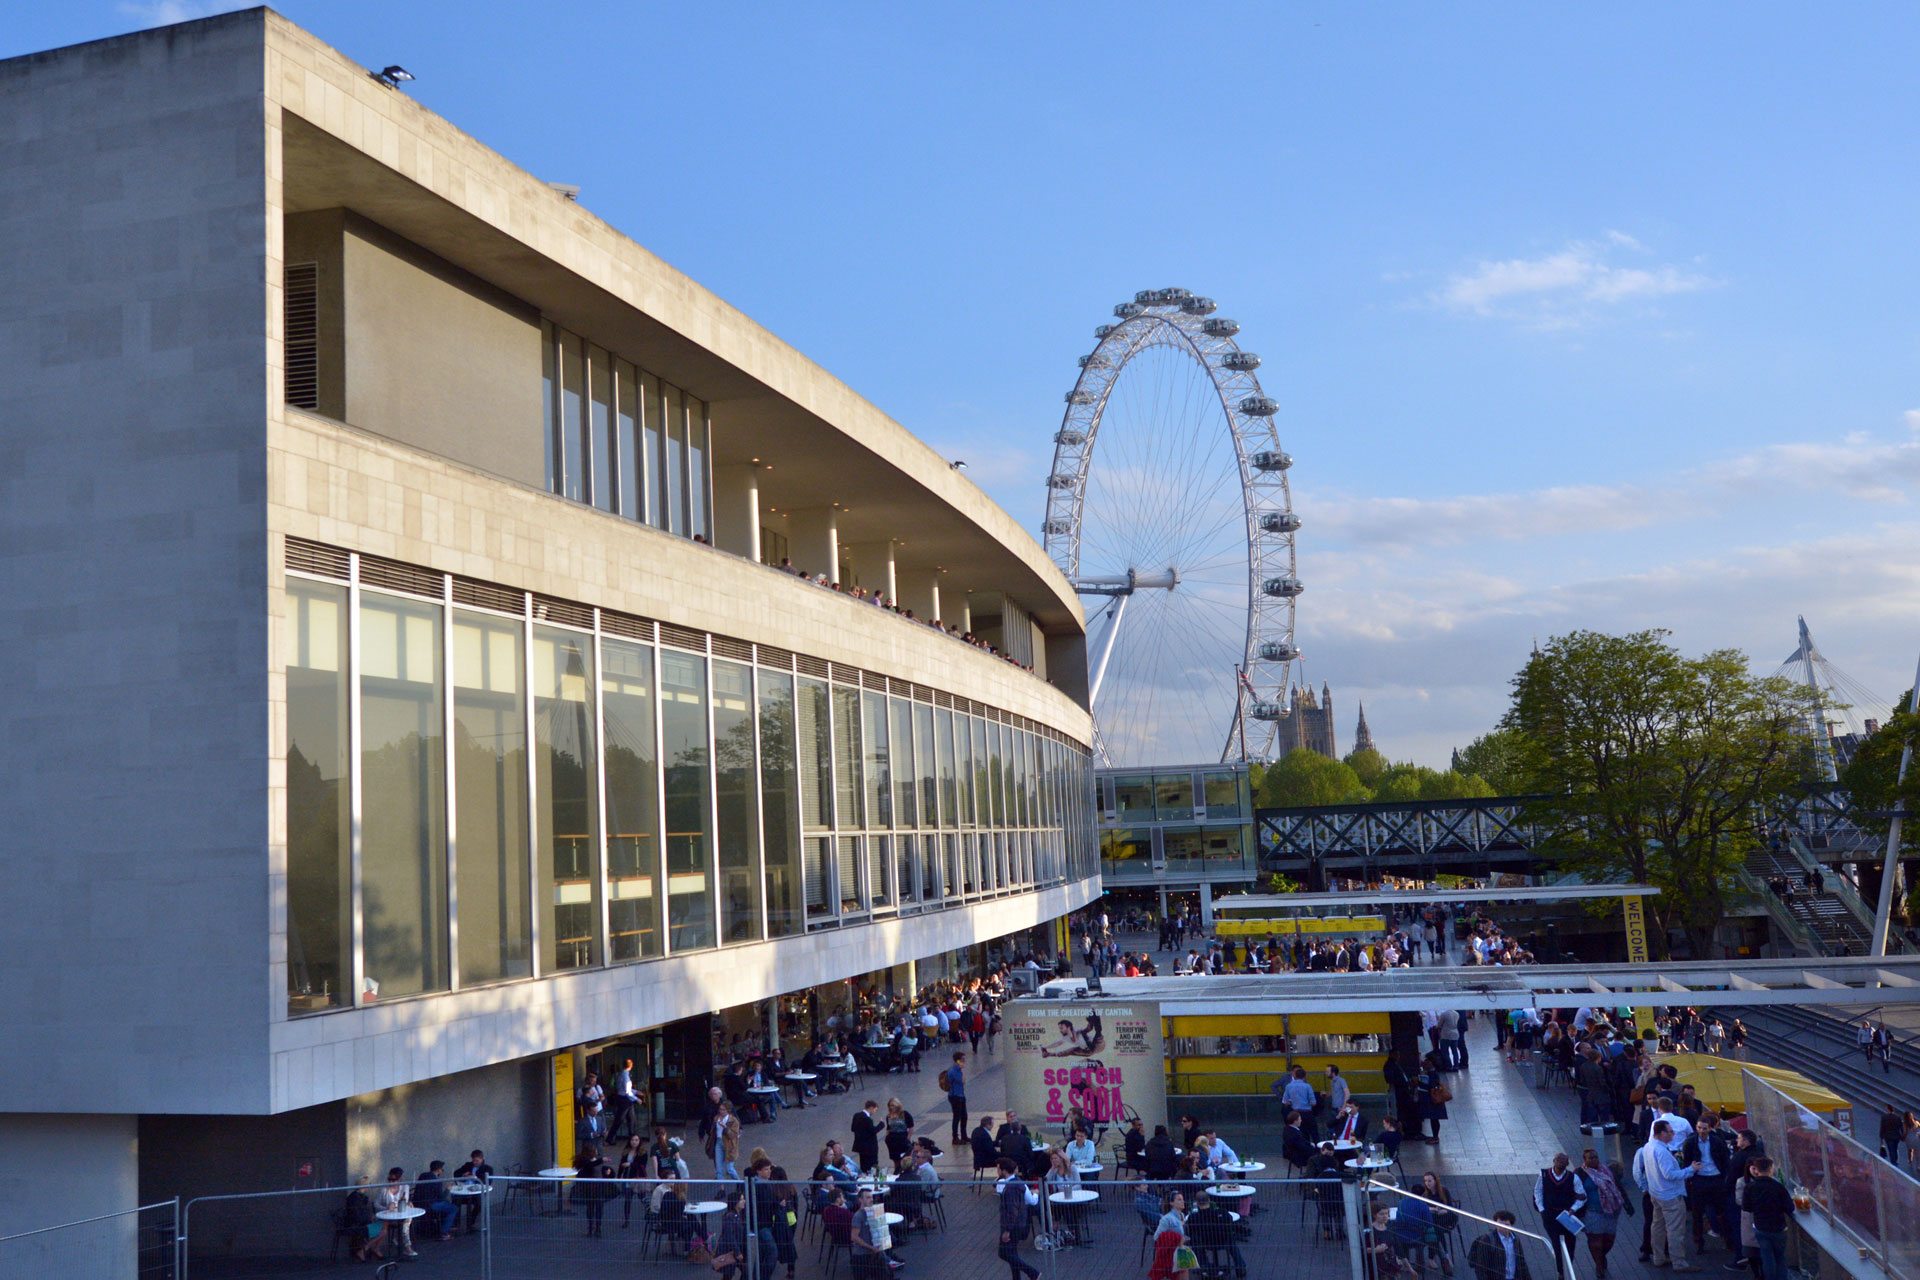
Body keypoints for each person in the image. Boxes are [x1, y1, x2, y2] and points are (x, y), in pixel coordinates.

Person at [1634, 1120, 1700, 1271]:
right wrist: (1691, 1169)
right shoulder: (1662, 1151)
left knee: (1657, 1226)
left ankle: (1658, 1257)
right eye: (1670, 1131)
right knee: (1675, 1230)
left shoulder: (1648, 1147)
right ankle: (1679, 1263)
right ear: (1662, 1133)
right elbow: (1669, 1174)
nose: (1673, 1133)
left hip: (1656, 1193)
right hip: (1670, 1196)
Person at [1575, 1148, 1630, 1280]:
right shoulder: (1579, 1174)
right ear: (1585, 1160)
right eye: (1590, 1158)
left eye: (1596, 1157)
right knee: (1595, 1241)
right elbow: (1574, 1190)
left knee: (1609, 1239)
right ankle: (1599, 1265)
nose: (1594, 1160)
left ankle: (1601, 1256)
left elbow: (1617, 1187)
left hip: (1611, 1211)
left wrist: (1626, 1204)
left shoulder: (1607, 1170)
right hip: (1592, 1212)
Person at [1534, 1153, 1586, 1276]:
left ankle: (1569, 1267)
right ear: (1554, 1160)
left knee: (1570, 1243)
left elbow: (1582, 1197)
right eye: (1558, 1160)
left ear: (1567, 1164)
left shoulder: (1573, 1178)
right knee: (1556, 1243)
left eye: (1564, 1161)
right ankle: (1561, 1272)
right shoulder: (1544, 1174)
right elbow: (1537, 1191)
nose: (1561, 1163)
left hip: (1567, 1215)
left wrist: (1573, 1209)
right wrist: (1542, 1209)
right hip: (1550, 1215)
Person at [1740, 1157, 1793, 1280]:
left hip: (1760, 1227)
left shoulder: (1750, 1187)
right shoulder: (1778, 1187)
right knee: (1780, 1258)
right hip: (1778, 1227)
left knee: (1767, 1258)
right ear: (1770, 1169)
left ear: (1756, 1170)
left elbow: (1746, 1207)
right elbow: (1789, 1207)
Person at [996, 1158, 1041, 1280]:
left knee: (1004, 1253)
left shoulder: (1010, 1187)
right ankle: (1017, 1277)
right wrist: (1036, 1193)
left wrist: (1007, 1230)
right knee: (1012, 1253)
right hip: (1020, 1223)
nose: (997, 1170)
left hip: (1012, 1226)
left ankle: (1032, 1272)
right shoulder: (1020, 1183)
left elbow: (1012, 1211)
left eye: (998, 1168)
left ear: (1004, 1170)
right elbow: (1031, 1201)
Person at [1469, 1210, 1533, 1280]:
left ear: (1511, 1225)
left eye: (1506, 1225)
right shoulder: (1487, 1240)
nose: (1502, 1227)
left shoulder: (1515, 1240)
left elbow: (1521, 1262)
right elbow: (1481, 1267)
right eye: (1499, 1224)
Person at [374, 1166, 418, 1261]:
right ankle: (403, 1245)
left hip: (401, 1215)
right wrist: (386, 1208)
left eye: (394, 1180)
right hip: (388, 1217)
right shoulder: (384, 1189)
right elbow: (376, 1204)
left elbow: (404, 1201)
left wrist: (406, 1203)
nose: (391, 1182)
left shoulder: (405, 1187)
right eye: (389, 1179)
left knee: (407, 1220)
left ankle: (406, 1246)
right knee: (403, 1223)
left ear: (400, 1179)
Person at [1148, 1189, 1191, 1280]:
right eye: (1179, 1199)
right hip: (1172, 1251)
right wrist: (1175, 1238)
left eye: (1182, 1199)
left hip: (1181, 1248)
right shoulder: (1167, 1219)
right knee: (1184, 1271)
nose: (1182, 1201)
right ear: (1171, 1203)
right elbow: (1157, 1237)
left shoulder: (1182, 1215)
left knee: (1185, 1270)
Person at [576, 1142, 614, 1238]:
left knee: (598, 1208)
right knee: (591, 1208)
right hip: (590, 1188)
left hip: (598, 1187)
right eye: (595, 1149)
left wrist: (607, 1172)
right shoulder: (585, 1161)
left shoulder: (595, 1161)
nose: (597, 1151)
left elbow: (600, 1169)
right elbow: (590, 1165)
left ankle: (597, 1228)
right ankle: (591, 1228)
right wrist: (602, 1160)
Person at [413, 1159, 456, 1240]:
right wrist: (448, 1189)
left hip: (418, 1203)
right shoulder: (437, 1181)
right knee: (453, 1208)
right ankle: (444, 1232)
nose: (442, 1171)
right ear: (438, 1170)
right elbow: (441, 1197)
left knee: (446, 1204)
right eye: (442, 1169)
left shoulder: (423, 1175)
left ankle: (445, 1225)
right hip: (430, 1205)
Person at [451, 1150, 492, 1234]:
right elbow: (456, 1173)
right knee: (455, 1200)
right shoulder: (468, 1165)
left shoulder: (488, 1168)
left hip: (477, 1192)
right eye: (473, 1160)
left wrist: (475, 1178)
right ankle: (456, 1224)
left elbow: (488, 1181)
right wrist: (463, 1175)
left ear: (482, 1159)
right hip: (464, 1190)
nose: (475, 1162)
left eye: (477, 1160)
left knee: (479, 1204)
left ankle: (470, 1223)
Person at [341, 1175, 378, 1263]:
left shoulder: (360, 1197)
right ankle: (364, 1249)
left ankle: (367, 1249)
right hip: (355, 1225)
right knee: (382, 1230)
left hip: (360, 1223)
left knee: (381, 1227)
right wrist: (370, 1219)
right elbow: (357, 1216)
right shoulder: (354, 1199)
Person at [610, 1057, 642, 1139]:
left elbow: (623, 1089)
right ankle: (610, 1138)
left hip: (623, 1098)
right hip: (625, 1100)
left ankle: (633, 1137)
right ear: (631, 1066)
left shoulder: (621, 1074)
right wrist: (637, 1098)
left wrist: (636, 1092)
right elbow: (627, 1091)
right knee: (620, 1119)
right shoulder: (625, 1076)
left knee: (631, 1119)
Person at [944, 1051, 969, 1145]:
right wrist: (962, 1071)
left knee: (964, 1116)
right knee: (957, 1117)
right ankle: (955, 1138)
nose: (964, 1061)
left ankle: (964, 1136)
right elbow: (963, 1081)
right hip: (955, 1096)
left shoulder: (956, 1070)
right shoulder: (954, 1071)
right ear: (957, 1060)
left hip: (961, 1095)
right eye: (963, 1060)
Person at [852, 1098, 882, 1173]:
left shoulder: (856, 1116)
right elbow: (873, 1131)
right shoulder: (868, 1119)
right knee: (872, 1165)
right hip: (870, 1148)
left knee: (863, 1164)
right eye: (875, 1110)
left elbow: (852, 1128)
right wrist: (881, 1125)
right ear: (871, 1108)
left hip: (860, 1146)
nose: (874, 1112)